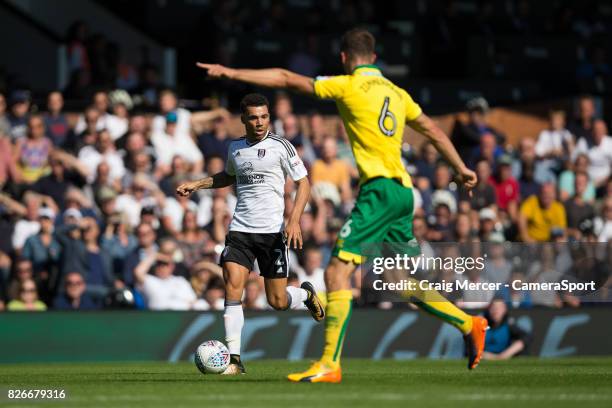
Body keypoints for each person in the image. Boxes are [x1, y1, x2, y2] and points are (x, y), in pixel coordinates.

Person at [194, 28, 486, 382]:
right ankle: (469, 322)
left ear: (345, 58)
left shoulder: (349, 85)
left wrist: (231, 72)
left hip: (378, 190)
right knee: (397, 278)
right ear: (375, 58)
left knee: (336, 273)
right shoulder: (398, 93)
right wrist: (461, 168)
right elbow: (435, 132)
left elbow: (286, 78)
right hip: (405, 194)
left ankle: (330, 363)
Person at [177, 93, 325, 375]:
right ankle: (234, 359)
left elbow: (303, 184)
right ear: (243, 119)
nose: (260, 123)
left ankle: (305, 296)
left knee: (277, 302)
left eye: (264, 117)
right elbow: (228, 176)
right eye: (254, 117)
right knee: (233, 287)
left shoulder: (282, 146)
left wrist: (294, 220)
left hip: (271, 234)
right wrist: (197, 184)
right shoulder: (235, 148)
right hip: (240, 231)